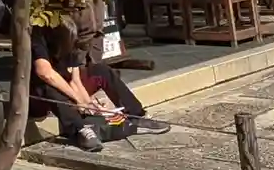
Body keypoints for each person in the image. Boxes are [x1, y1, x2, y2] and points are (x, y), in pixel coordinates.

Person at [29, 19, 171, 151]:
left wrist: (88, 105)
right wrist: (77, 100)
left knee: (101, 70)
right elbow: (45, 73)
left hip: (65, 92)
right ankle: (80, 130)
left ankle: (136, 116)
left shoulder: (71, 48)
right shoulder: (38, 41)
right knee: (49, 86)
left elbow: (75, 81)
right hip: (39, 97)